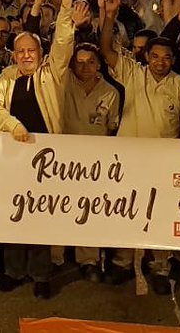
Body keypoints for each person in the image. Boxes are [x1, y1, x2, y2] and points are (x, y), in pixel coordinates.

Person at [0, 0, 80, 300]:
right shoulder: (5, 78)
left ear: (41, 53)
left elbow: (64, 42)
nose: (26, 55)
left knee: (40, 217)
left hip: (47, 161)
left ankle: (40, 274)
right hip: (13, 158)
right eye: (21, 51)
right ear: (14, 55)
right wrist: (13, 126)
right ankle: (13, 271)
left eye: (32, 50)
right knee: (13, 213)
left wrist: (65, 6)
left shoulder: (52, 74)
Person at [99, 0, 180, 292]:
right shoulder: (132, 73)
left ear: (173, 60)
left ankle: (160, 267)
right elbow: (106, 49)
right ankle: (122, 262)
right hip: (129, 162)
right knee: (126, 210)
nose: (160, 62)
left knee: (161, 214)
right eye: (155, 56)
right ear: (147, 57)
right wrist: (110, 16)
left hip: (163, 165)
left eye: (166, 58)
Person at [56, 42, 120, 282]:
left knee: (90, 209)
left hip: (95, 162)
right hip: (62, 159)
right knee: (57, 207)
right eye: (80, 62)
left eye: (91, 62)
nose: (85, 67)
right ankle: (56, 257)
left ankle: (89, 260)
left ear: (99, 65)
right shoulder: (62, 84)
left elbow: (112, 128)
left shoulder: (110, 93)